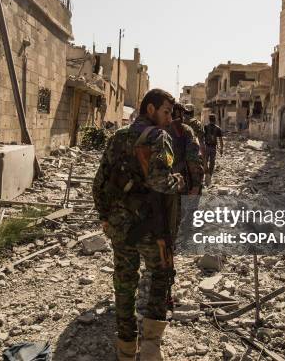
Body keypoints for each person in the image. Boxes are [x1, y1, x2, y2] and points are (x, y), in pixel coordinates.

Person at [92, 89, 184, 361]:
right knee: (160, 277)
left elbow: (99, 183)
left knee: (124, 284)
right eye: (166, 112)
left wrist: (105, 218)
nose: (169, 118)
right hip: (151, 228)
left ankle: (126, 350)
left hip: (120, 228)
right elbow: (159, 182)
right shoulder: (159, 137)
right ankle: (151, 348)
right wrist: (177, 181)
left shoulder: (118, 137)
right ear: (151, 109)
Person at [168, 104, 204, 196]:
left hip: (162, 183)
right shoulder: (185, 129)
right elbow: (192, 158)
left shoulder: (158, 129)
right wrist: (196, 185)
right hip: (182, 181)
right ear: (179, 113)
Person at [203, 114, 223, 183]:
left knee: (205, 162)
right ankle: (209, 177)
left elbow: (202, 137)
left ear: (209, 119)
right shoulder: (218, 128)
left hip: (206, 147)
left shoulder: (205, 127)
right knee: (212, 163)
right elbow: (220, 140)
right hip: (213, 148)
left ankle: (206, 176)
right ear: (215, 120)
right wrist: (221, 149)